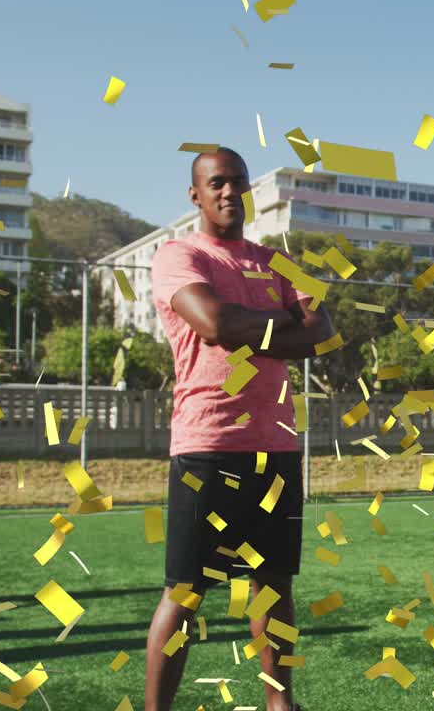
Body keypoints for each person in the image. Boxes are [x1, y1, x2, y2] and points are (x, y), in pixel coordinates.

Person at [147, 147, 335, 711]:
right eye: (217, 183)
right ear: (196, 194)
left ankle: (281, 706)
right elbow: (214, 323)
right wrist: (282, 323)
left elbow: (322, 335)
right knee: (185, 593)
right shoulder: (177, 254)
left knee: (274, 587)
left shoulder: (279, 261)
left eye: (238, 183)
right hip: (209, 446)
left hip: (276, 447)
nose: (230, 193)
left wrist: (250, 326)